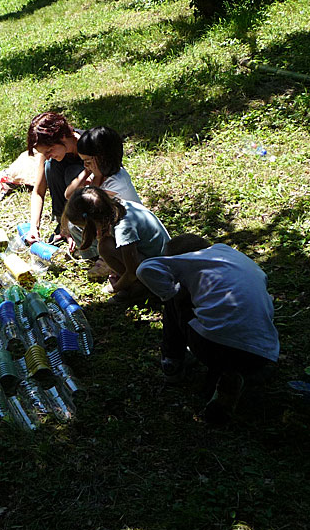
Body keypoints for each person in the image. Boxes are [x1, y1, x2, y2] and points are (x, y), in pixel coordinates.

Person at [135, 234, 280, 425]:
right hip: (262, 354)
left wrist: (172, 294)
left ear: (180, 258)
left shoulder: (189, 259)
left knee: (173, 298)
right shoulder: (232, 255)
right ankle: (233, 375)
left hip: (213, 347)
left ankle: (172, 365)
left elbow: (145, 269)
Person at [65, 185, 170, 307]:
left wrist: (115, 287)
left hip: (161, 270)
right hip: (157, 260)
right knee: (106, 243)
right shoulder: (120, 207)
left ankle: (140, 288)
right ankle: (134, 283)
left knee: (105, 247)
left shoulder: (123, 228)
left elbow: (133, 271)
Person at [65, 126, 143, 279]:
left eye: (88, 162)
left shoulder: (117, 182)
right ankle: (98, 256)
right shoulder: (99, 176)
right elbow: (68, 195)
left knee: (85, 219)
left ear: (103, 159)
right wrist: (88, 171)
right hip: (112, 227)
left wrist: (94, 177)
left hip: (129, 236)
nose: (85, 166)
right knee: (73, 223)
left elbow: (90, 205)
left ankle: (109, 259)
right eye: (83, 162)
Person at [24, 112, 86, 245]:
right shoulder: (50, 156)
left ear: (63, 137)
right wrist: (34, 227)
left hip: (90, 203)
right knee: (50, 166)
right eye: (43, 153)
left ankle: (78, 226)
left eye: (49, 150)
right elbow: (38, 192)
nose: (47, 156)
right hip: (68, 204)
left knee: (72, 172)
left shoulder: (88, 144)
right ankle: (62, 225)